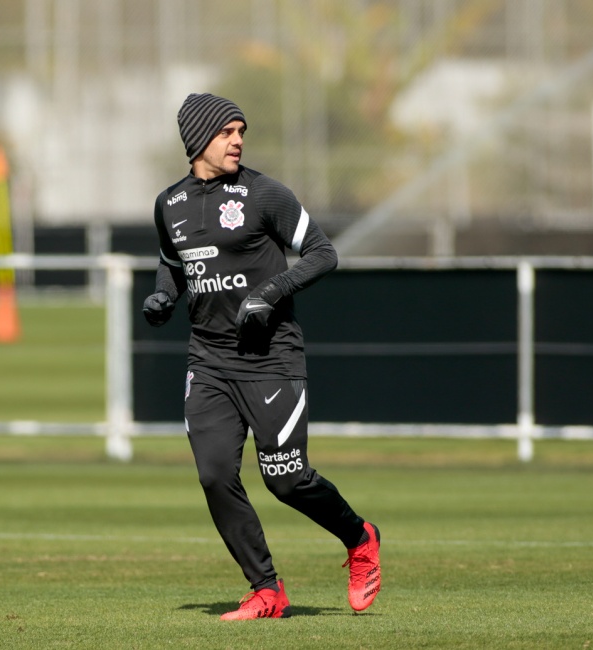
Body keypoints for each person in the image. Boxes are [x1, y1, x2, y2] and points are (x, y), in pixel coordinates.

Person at [142, 93, 381, 621]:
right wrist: (164, 295)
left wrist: (269, 293)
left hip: (271, 359)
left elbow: (323, 252)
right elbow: (171, 260)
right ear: (198, 139)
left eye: (241, 131)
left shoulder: (264, 193)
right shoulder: (170, 204)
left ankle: (360, 537)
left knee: (286, 480)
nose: (238, 141)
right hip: (208, 362)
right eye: (227, 132)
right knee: (214, 476)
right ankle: (266, 590)